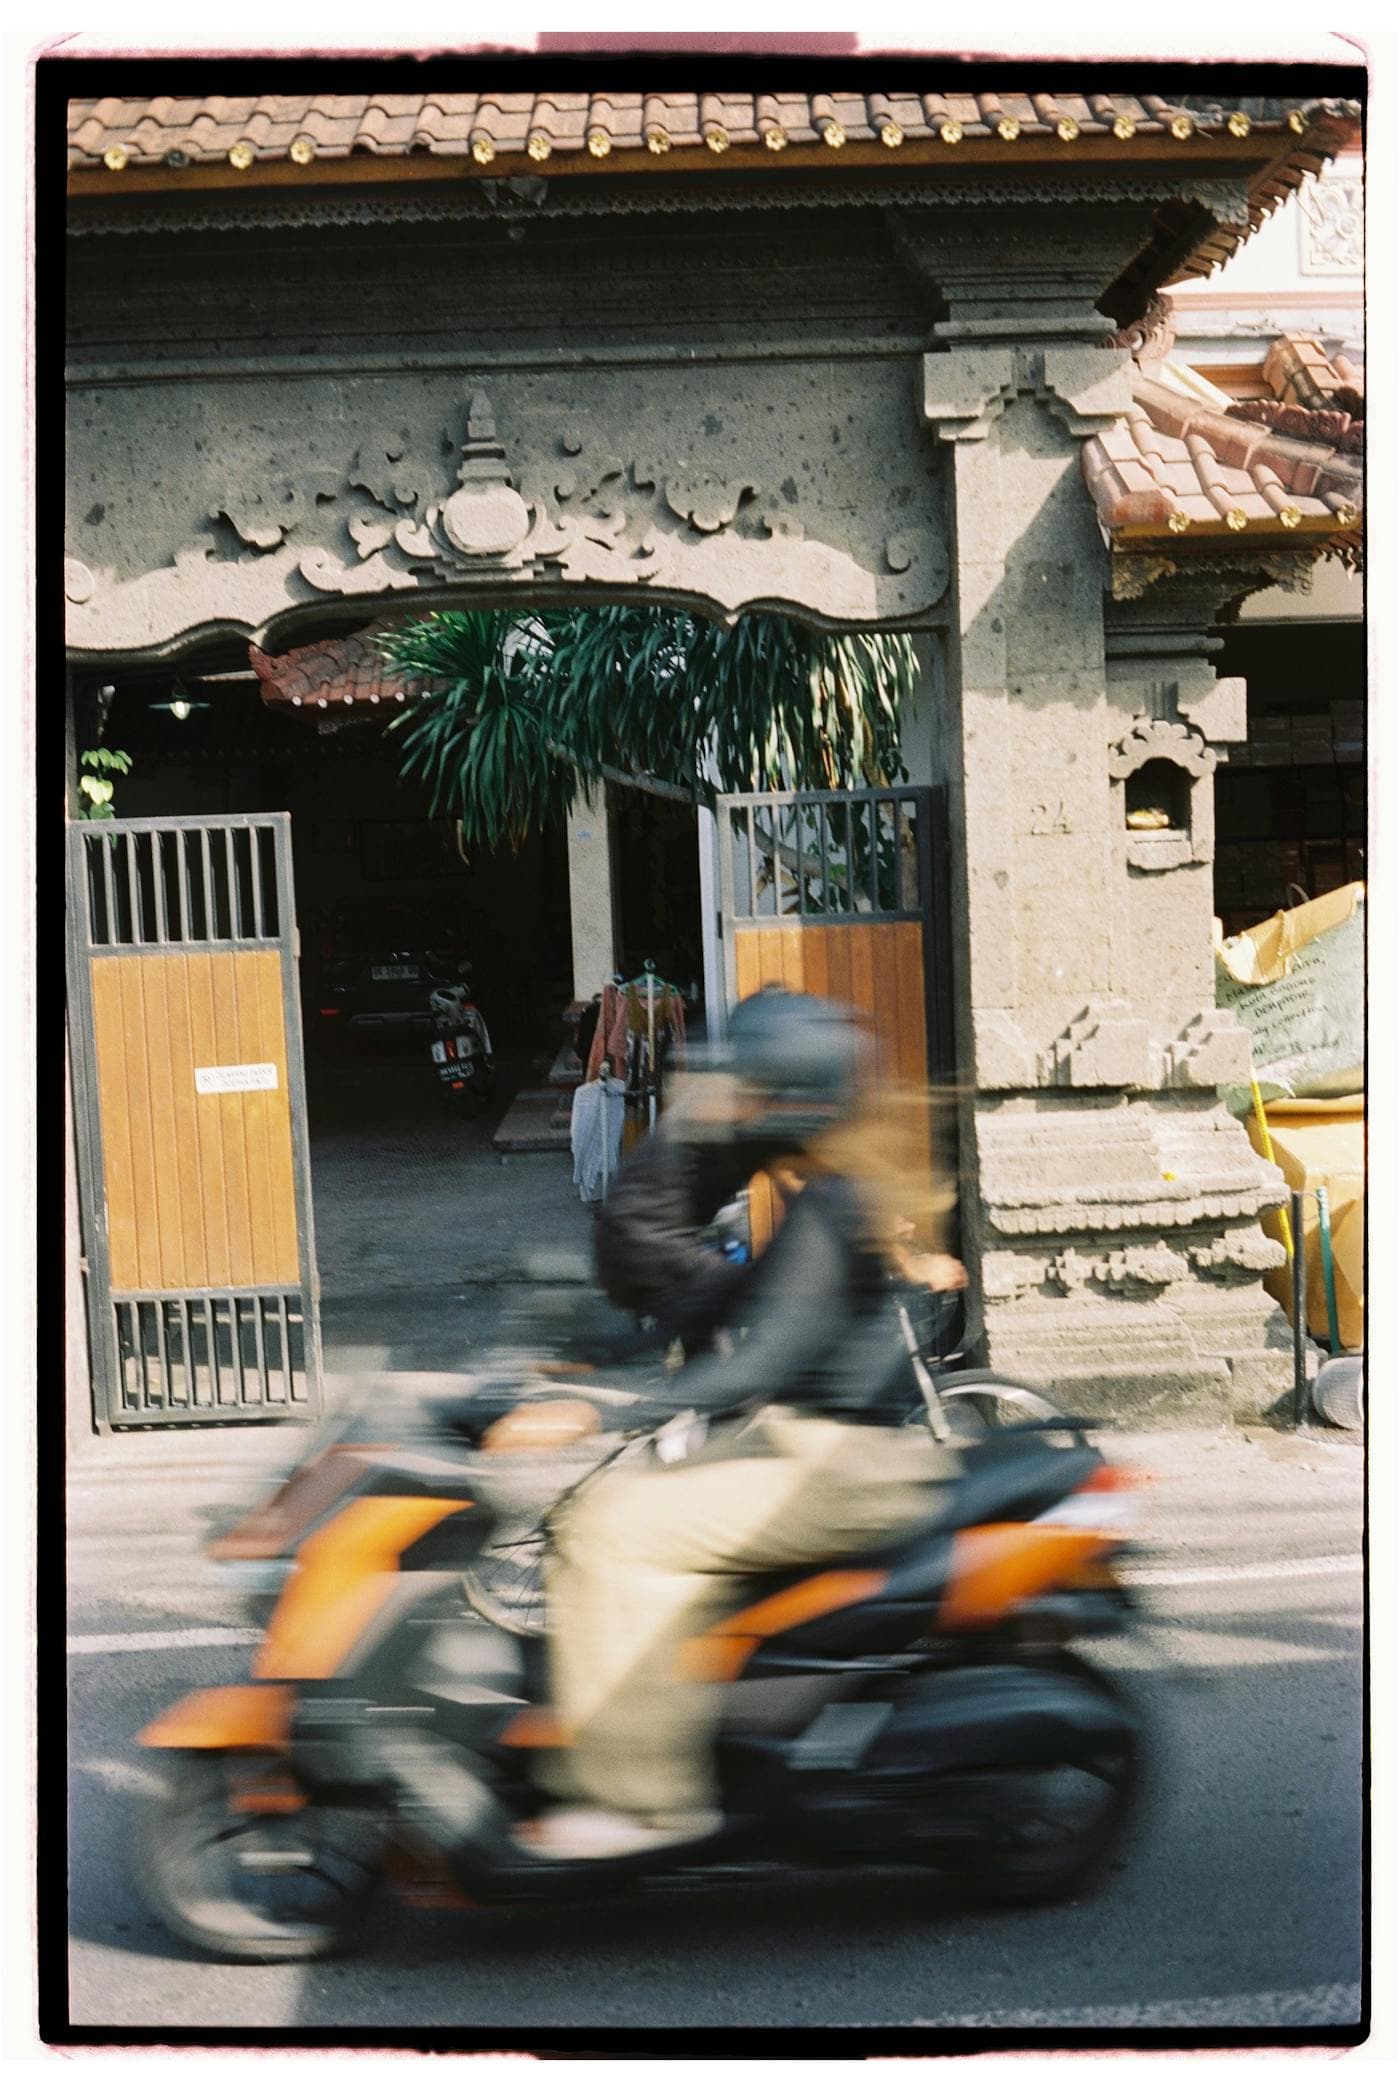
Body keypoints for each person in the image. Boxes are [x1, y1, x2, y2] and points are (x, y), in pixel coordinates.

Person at [519, 991, 967, 1863]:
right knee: (625, 1493)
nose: (737, 1106)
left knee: (608, 1531)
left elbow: (763, 1359)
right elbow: (735, 1300)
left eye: (756, 1090)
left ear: (795, 1099)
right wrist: (598, 1354)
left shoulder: (833, 1205)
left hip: (837, 1461)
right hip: (813, 1446)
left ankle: (643, 1798)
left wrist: (606, 1408)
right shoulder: (833, 1191)